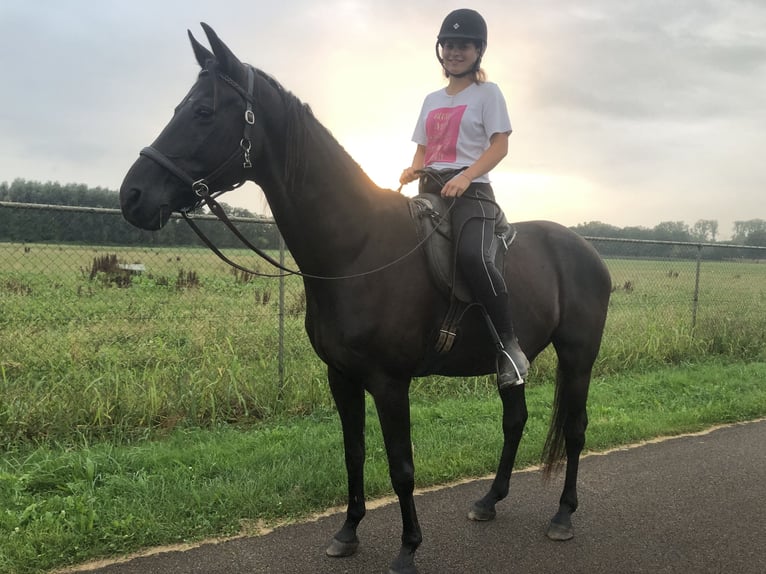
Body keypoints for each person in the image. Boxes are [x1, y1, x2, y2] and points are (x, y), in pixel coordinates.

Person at [400, 8, 529, 388]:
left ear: (478, 51)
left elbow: (500, 144)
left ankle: (509, 346)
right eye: (449, 45)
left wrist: (467, 175)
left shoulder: (488, 93)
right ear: (441, 50)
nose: (455, 52)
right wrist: (414, 169)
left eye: (464, 46)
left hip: (472, 192)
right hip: (430, 189)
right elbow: (424, 148)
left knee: (473, 255)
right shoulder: (430, 99)